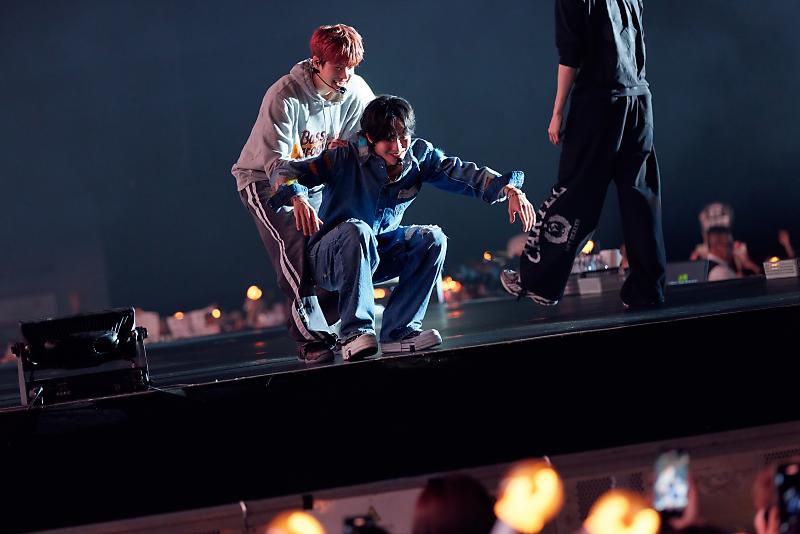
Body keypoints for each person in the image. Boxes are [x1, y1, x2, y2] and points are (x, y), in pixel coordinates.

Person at [269, 95, 535, 361]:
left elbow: (461, 172)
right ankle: (354, 333)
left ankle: (399, 332)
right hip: (329, 259)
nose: (398, 148)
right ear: (370, 138)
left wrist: (509, 189)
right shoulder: (345, 155)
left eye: (403, 137)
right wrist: (297, 196)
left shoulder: (419, 155)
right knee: (357, 231)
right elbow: (286, 172)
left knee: (432, 238)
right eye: (388, 140)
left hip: (374, 254)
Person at [501, 0, 666, 308]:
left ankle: (539, 281)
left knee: (574, 189)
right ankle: (648, 288)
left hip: (599, 99)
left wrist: (557, 112)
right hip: (639, 99)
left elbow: (570, 55)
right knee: (640, 197)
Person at [232, 24, 375, 363]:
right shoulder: (285, 96)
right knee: (295, 245)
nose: (346, 75)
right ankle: (310, 340)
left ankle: (329, 324)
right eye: (338, 67)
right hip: (265, 180)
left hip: (314, 180)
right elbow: (275, 162)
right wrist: (295, 197)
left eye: (351, 67)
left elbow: (370, 134)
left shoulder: (356, 89)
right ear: (316, 62)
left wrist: (354, 146)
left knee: (328, 247)